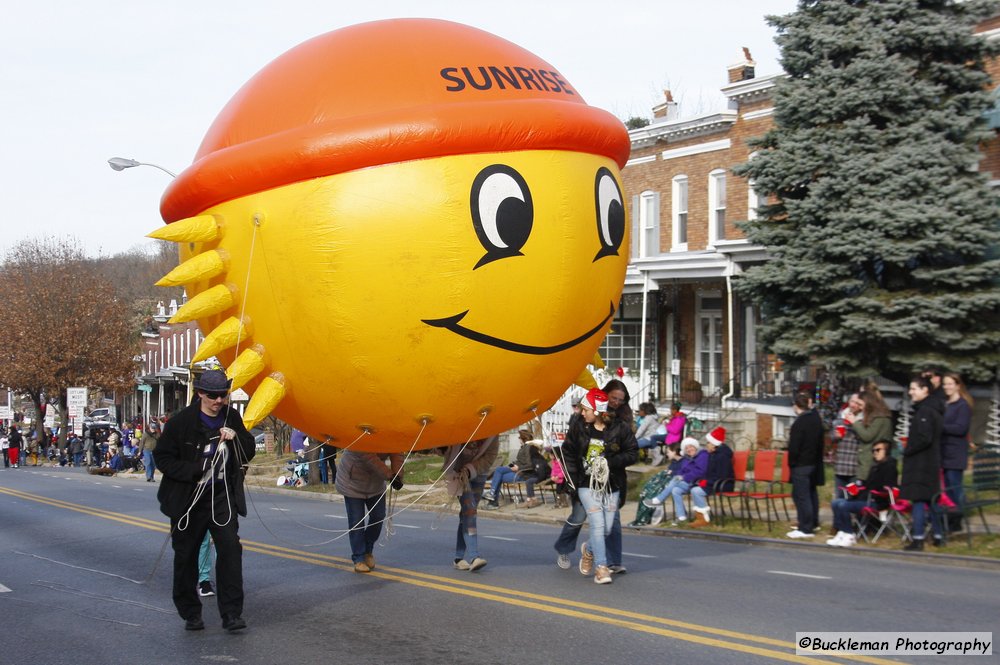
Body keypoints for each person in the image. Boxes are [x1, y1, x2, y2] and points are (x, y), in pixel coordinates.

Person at [153, 369, 256, 633]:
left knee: (231, 549)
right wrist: (193, 470)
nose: (218, 401)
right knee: (186, 556)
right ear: (200, 393)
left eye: (223, 395)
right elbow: (162, 458)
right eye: (212, 395)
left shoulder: (231, 417)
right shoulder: (180, 423)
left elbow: (249, 449)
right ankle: (190, 613)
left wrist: (236, 440)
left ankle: (232, 614)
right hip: (189, 498)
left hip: (221, 496)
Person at [560, 388, 637, 585]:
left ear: (598, 411)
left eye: (586, 409)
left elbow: (633, 452)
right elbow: (567, 452)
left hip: (611, 484)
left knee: (607, 528)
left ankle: (589, 550)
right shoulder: (579, 427)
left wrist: (610, 462)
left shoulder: (619, 428)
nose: (582, 412)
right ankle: (601, 568)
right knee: (598, 523)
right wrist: (572, 478)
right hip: (586, 484)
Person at [335, 449, 404, 573]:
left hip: (375, 482)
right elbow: (368, 456)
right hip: (352, 482)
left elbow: (397, 452)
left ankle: (368, 550)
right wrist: (389, 475)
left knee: (378, 516)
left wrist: (398, 475)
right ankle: (359, 558)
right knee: (357, 521)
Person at [441, 435, 499, 571]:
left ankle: (458, 558)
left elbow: (490, 456)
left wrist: (470, 469)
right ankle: (474, 557)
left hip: (479, 474)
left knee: (466, 516)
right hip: (458, 474)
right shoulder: (462, 425)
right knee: (470, 511)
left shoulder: (493, 432)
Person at [827, 441, 898, 547]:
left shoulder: (890, 468)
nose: (875, 453)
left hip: (877, 502)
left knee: (843, 505)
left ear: (886, 451)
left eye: (878, 450)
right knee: (835, 502)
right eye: (873, 450)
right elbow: (868, 485)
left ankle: (849, 534)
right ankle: (842, 531)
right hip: (865, 498)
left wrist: (868, 492)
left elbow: (886, 489)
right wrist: (857, 488)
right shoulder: (875, 467)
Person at [901, 375, 944, 551]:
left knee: (919, 500)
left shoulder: (925, 411)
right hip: (930, 461)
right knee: (932, 500)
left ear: (925, 390)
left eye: (914, 389)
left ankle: (918, 538)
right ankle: (938, 535)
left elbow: (924, 438)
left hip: (921, 462)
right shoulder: (932, 408)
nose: (910, 392)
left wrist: (908, 449)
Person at [642, 438, 708, 525]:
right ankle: (682, 517)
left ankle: (659, 499)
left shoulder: (702, 455)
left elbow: (700, 472)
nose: (689, 449)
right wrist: (680, 475)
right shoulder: (688, 458)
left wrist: (683, 477)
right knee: (675, 490)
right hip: (691, 482)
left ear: (695, 446)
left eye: (691, 447)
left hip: (701, 482)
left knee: (676, 480)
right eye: (686, 448)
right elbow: (683, 470)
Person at [787, 392, 825, 539]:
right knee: (811, 494)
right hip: (813, 462)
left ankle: (805, 527)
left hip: (800, 464)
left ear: (796, 406)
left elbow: (794, 447)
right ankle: (813, 522)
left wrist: (792, 462)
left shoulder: (799, 423)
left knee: (801, 496)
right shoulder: (815, 420)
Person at [940, 372, 973, 531]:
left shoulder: (963, 405)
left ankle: (957, 519)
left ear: (958, 385)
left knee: (954, 486)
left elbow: (961, 429)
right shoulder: (946, 404)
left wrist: (940, 427)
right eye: (945, 384)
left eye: (950, 384)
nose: (947, 387)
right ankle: (950, 519)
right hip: (944, 452)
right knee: (946, 489)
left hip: (956, 453)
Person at [482, 429, 545, 509]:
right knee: (499, 473)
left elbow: (530, 465)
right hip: (518, 470)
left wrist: (519, 467)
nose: (518, 439)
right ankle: (492, 497)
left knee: (498, 474)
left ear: (523, 438)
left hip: (523, 473)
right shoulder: (524, 447)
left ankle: (493, 501)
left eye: (519, 437)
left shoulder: (528, 448)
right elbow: (521, 460)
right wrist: (513, 464)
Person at [688, 427, 734, 526]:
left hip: (723, 484)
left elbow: (722, 476)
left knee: (696, 491)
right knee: (694, 488)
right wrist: (700, 480)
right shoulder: (713, 454)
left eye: (708, 443)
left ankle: (704, 519)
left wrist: (705, 482)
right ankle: (701, 516)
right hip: (714, 482)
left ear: (714, 444)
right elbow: (709, 473)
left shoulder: (722, 457)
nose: (706, 445)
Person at [853, 390, 893, 480]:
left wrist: (854, 422)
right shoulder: (873, 417)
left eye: (861, 404)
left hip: (872, 464)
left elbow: (867, 436)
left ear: (869, 403)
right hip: (867, 463)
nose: (860, 408)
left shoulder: (880, 418)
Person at [833, 394, 864, 492]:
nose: (853, 405)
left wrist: (854, 424)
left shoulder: (863, 420)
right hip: (840, 466)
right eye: (852, 401)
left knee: (853, 499)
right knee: (839, 499)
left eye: (857, 403)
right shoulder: (841, 416)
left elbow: (866, 437)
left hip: (855, 468)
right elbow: (831, 436)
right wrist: (835, 436)